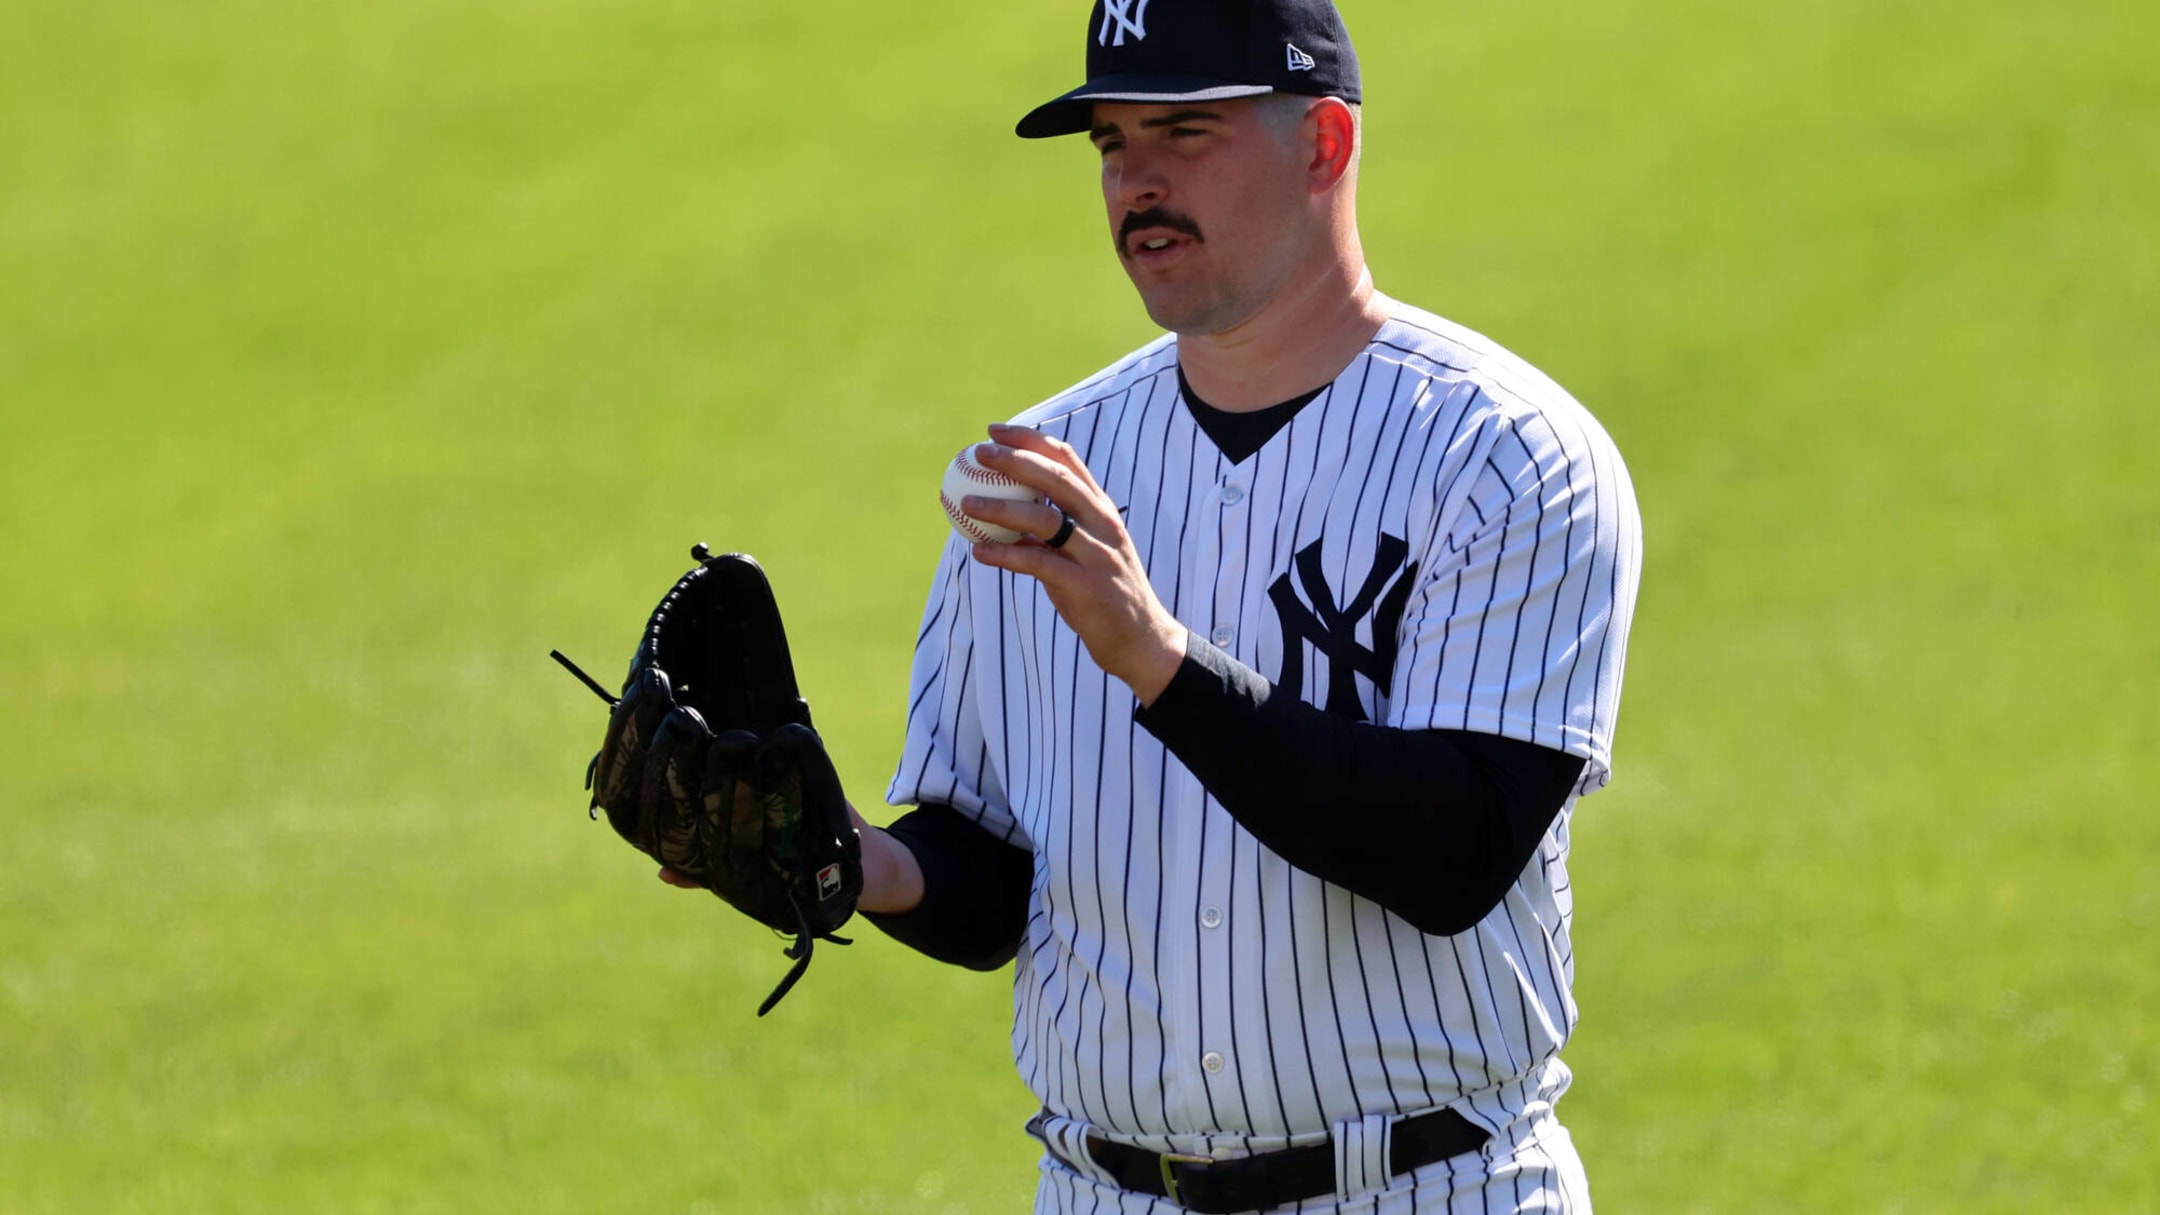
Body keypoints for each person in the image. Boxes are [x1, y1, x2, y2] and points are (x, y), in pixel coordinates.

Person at [682, 0, 1640, 1209]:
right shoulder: (1039, 470)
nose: (1138, 181)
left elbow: (1456, 854)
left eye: (1185, 132)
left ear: (1324, 145)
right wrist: (841, 862)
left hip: (1424, 1185)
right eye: (1111, 143)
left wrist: (1160, 662)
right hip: (1102, 1189)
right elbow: (994, 876)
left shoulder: (1506, 457)